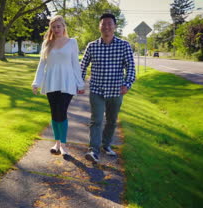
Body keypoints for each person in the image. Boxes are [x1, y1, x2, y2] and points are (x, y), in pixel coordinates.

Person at [80, 13, 136, 163]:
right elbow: (83, 65)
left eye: (109, 24)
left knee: (111, 121)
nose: (106, 27)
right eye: (103, 24)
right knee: (96, 120)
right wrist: (79, 83)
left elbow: (130, 67)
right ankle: (93, 150)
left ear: (115, 26)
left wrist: (127, 83)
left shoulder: (124, 45)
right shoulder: (92, 46)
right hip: (97, 90)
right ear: (99, 26)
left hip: (116, 91)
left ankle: (106, 145)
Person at [32, 15, 85, 157]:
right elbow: (41, 64)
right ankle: (57, 143)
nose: (56, 29)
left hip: (67, 82)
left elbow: (75, 64)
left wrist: (80, 83)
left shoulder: (72, 42)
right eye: (53, 27)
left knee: (62, 111)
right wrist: (36, 82)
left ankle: (64, 145)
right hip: (51, 81)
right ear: (51, 28)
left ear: (63, 27)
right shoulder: (46, 44)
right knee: (54, 113)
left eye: (58, 26)